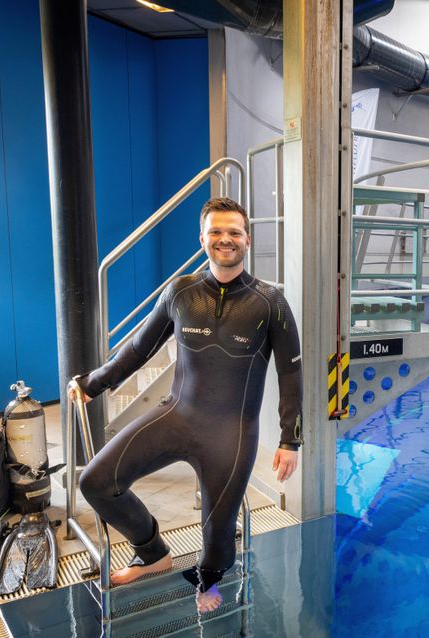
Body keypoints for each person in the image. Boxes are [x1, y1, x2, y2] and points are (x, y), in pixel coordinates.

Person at [69, 197, 302, 614]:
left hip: (230, 434)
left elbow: (291, 374)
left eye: (233, 232)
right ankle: (153, 551)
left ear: (247, 239)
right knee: (96, 482)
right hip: (177, 416)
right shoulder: (180, 292)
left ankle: (210, 580)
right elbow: (138, 350)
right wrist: (93, 382)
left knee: (216, 543)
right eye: (216, 231)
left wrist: (290, 440)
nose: (225, 239)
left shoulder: (271, 304)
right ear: (203, 238)